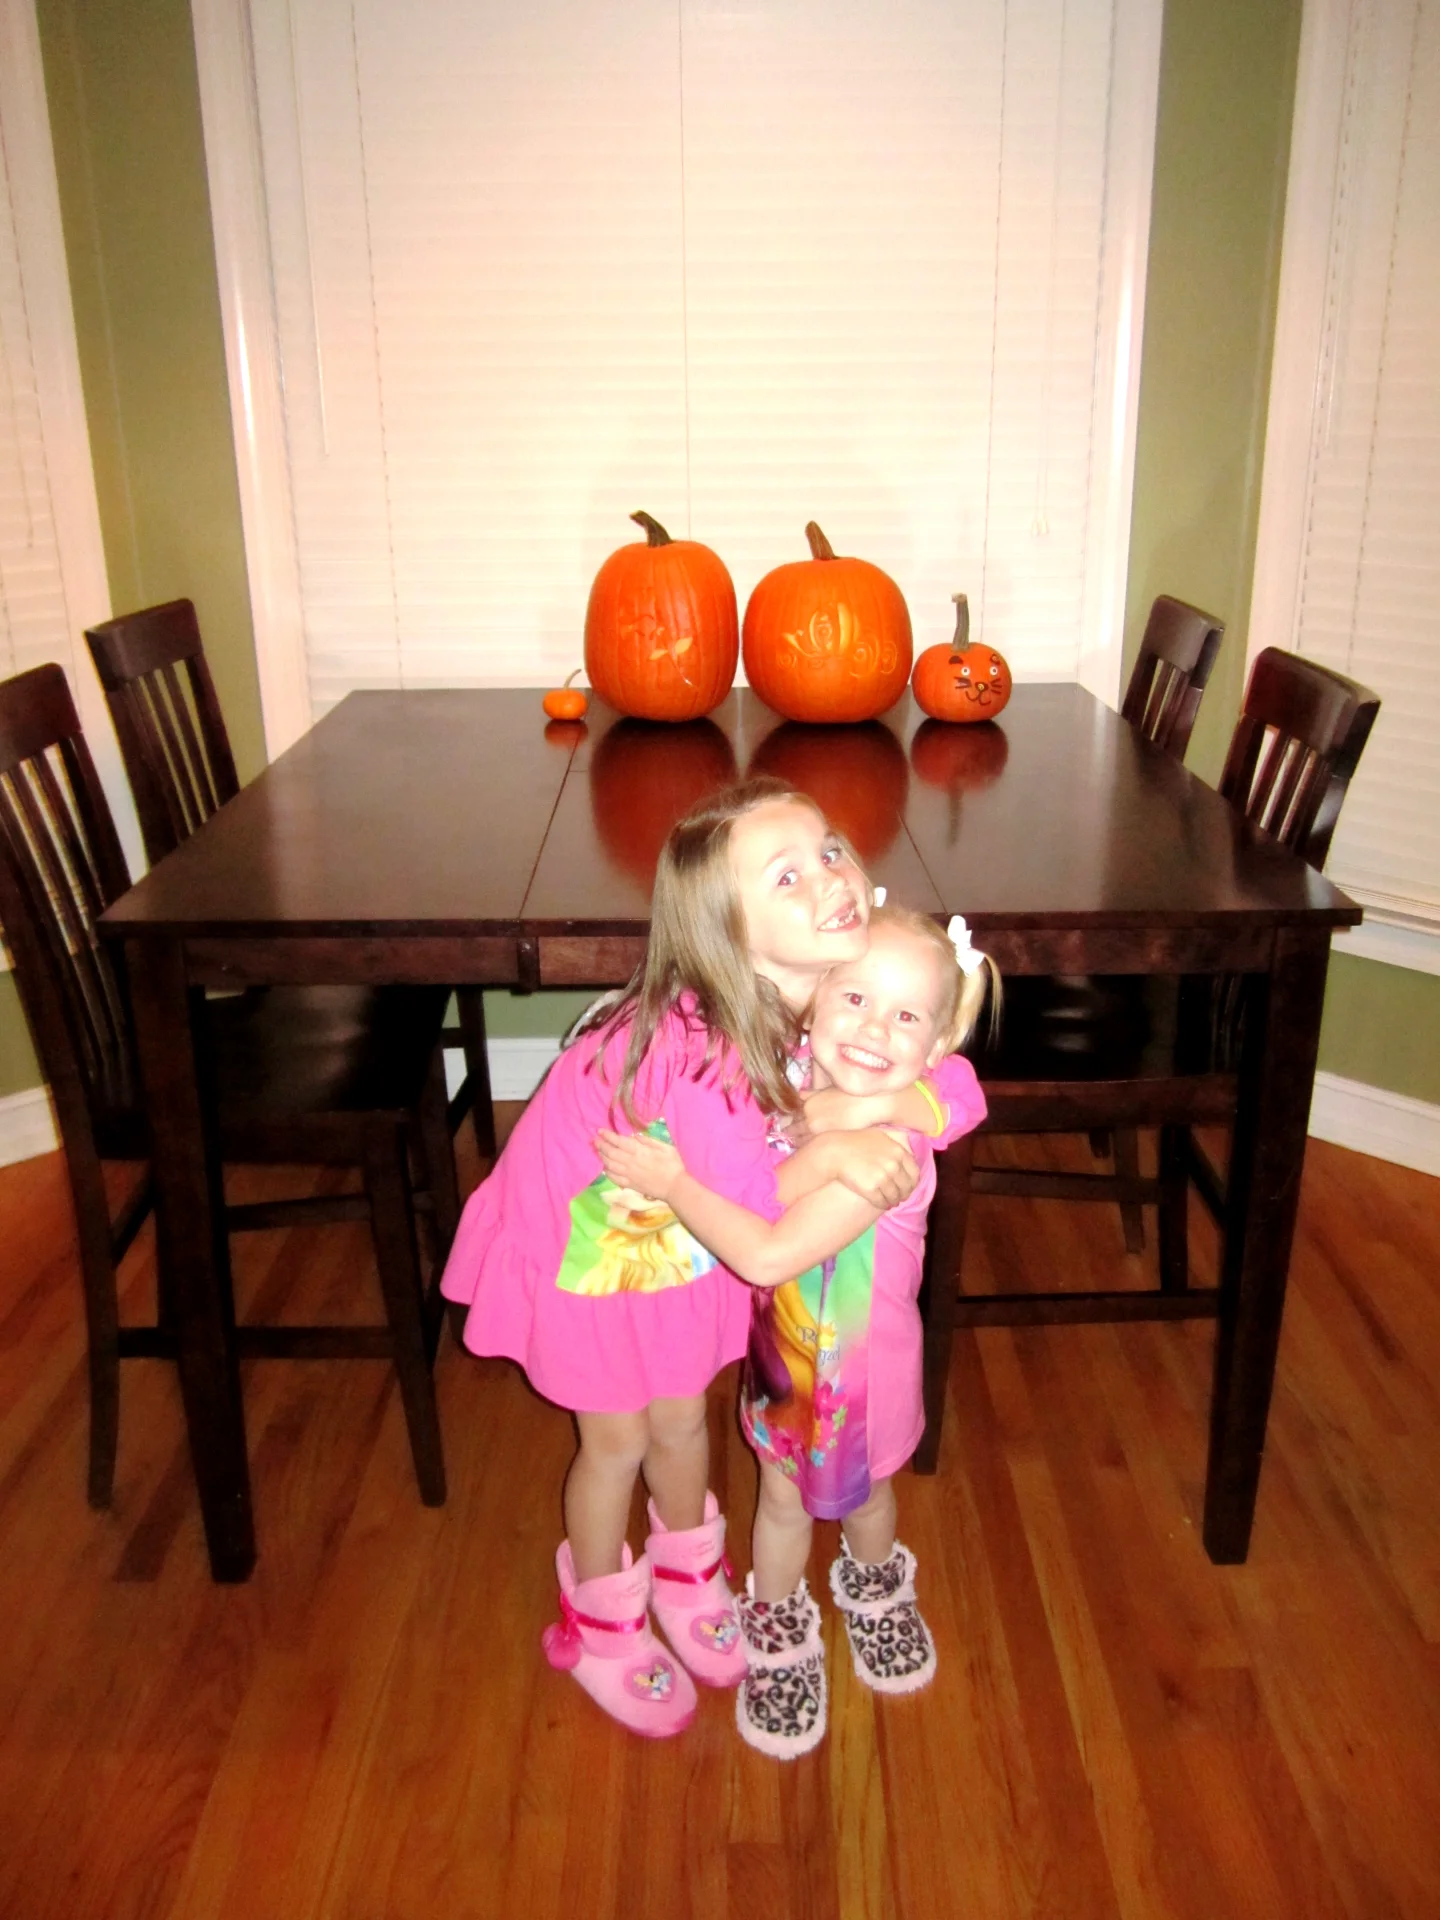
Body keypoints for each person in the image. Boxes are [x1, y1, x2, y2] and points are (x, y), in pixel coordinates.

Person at [439, 778, 924, 1738]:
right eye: (786, 876)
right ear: (731, 935)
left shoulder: (807, 994)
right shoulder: (709, 1056)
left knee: (681, 1417)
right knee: (616, 1441)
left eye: (828, 850)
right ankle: (600, 1621)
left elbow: (927, 1072)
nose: (830, 877)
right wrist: (833, 1152)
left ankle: (688, 1574)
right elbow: (759, 1200)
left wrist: (859, 1109)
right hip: (587, 1252)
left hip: (667, 1232)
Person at [595, 902, 995, 1756]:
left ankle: (876, 1588)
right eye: (854, 998)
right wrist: (818, 1115)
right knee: (779, 1502)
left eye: (906, 1017)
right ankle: (777, 1625)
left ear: (932, 1048)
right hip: (782, 1373)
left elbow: (766, 1239)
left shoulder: (890, 1151)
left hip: (872, 1382)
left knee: (870, 1498)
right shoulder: (789, 1074)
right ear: (814, 1002)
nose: (873, 1029)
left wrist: (685, 1181)